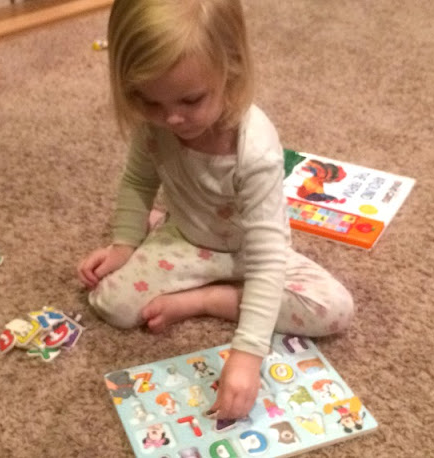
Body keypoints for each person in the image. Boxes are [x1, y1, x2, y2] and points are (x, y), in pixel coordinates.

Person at [77, 0, 354, 421]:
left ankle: (209, 299)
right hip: (187, 238)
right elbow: (138, 182)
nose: (171, 118)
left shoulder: (255, 149)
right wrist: (123, 245)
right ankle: (159, 230)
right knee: (109, 303)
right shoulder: (153, 123)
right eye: (149, 101)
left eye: (190, 99)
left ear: (232, 67)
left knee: (334, 308)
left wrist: (247, 354)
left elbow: (266, 258)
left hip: (252, 251)